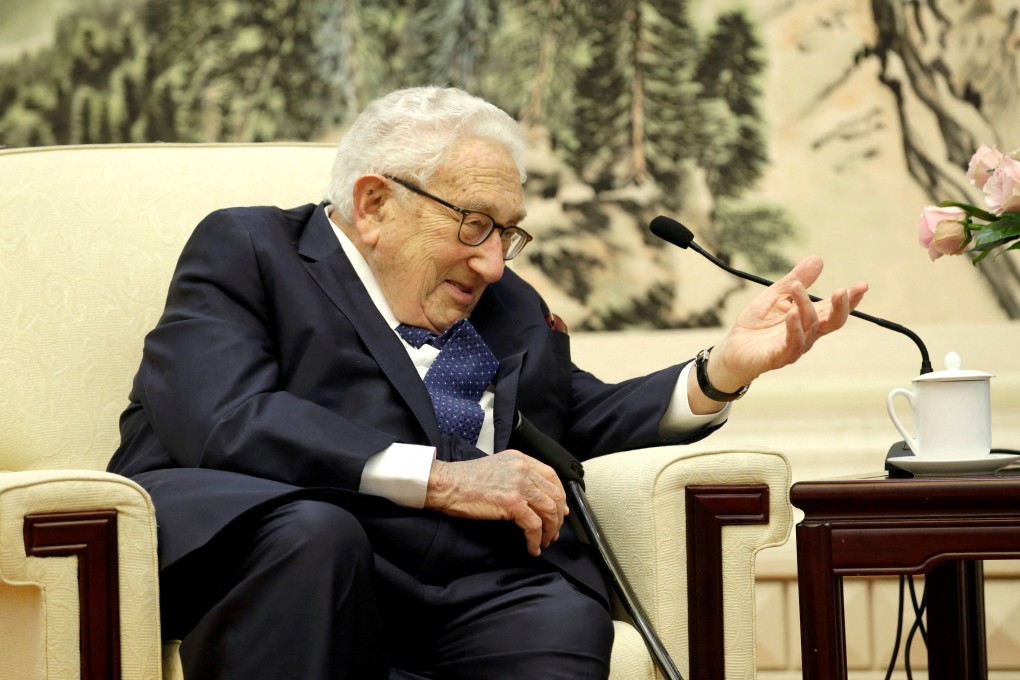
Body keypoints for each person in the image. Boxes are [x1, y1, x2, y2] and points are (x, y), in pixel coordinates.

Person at [108, 86, 868, 680]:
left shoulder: (508, 305)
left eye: (508, 232)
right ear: (375, 205)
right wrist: (443, 480)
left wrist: (720, 371)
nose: (495, 263)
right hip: (280, 545)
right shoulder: (251, 250)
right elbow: (225, 417)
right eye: (475, 225)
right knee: (317, 537)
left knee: (554, 605)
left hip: (466, 580)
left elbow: (575, 418)